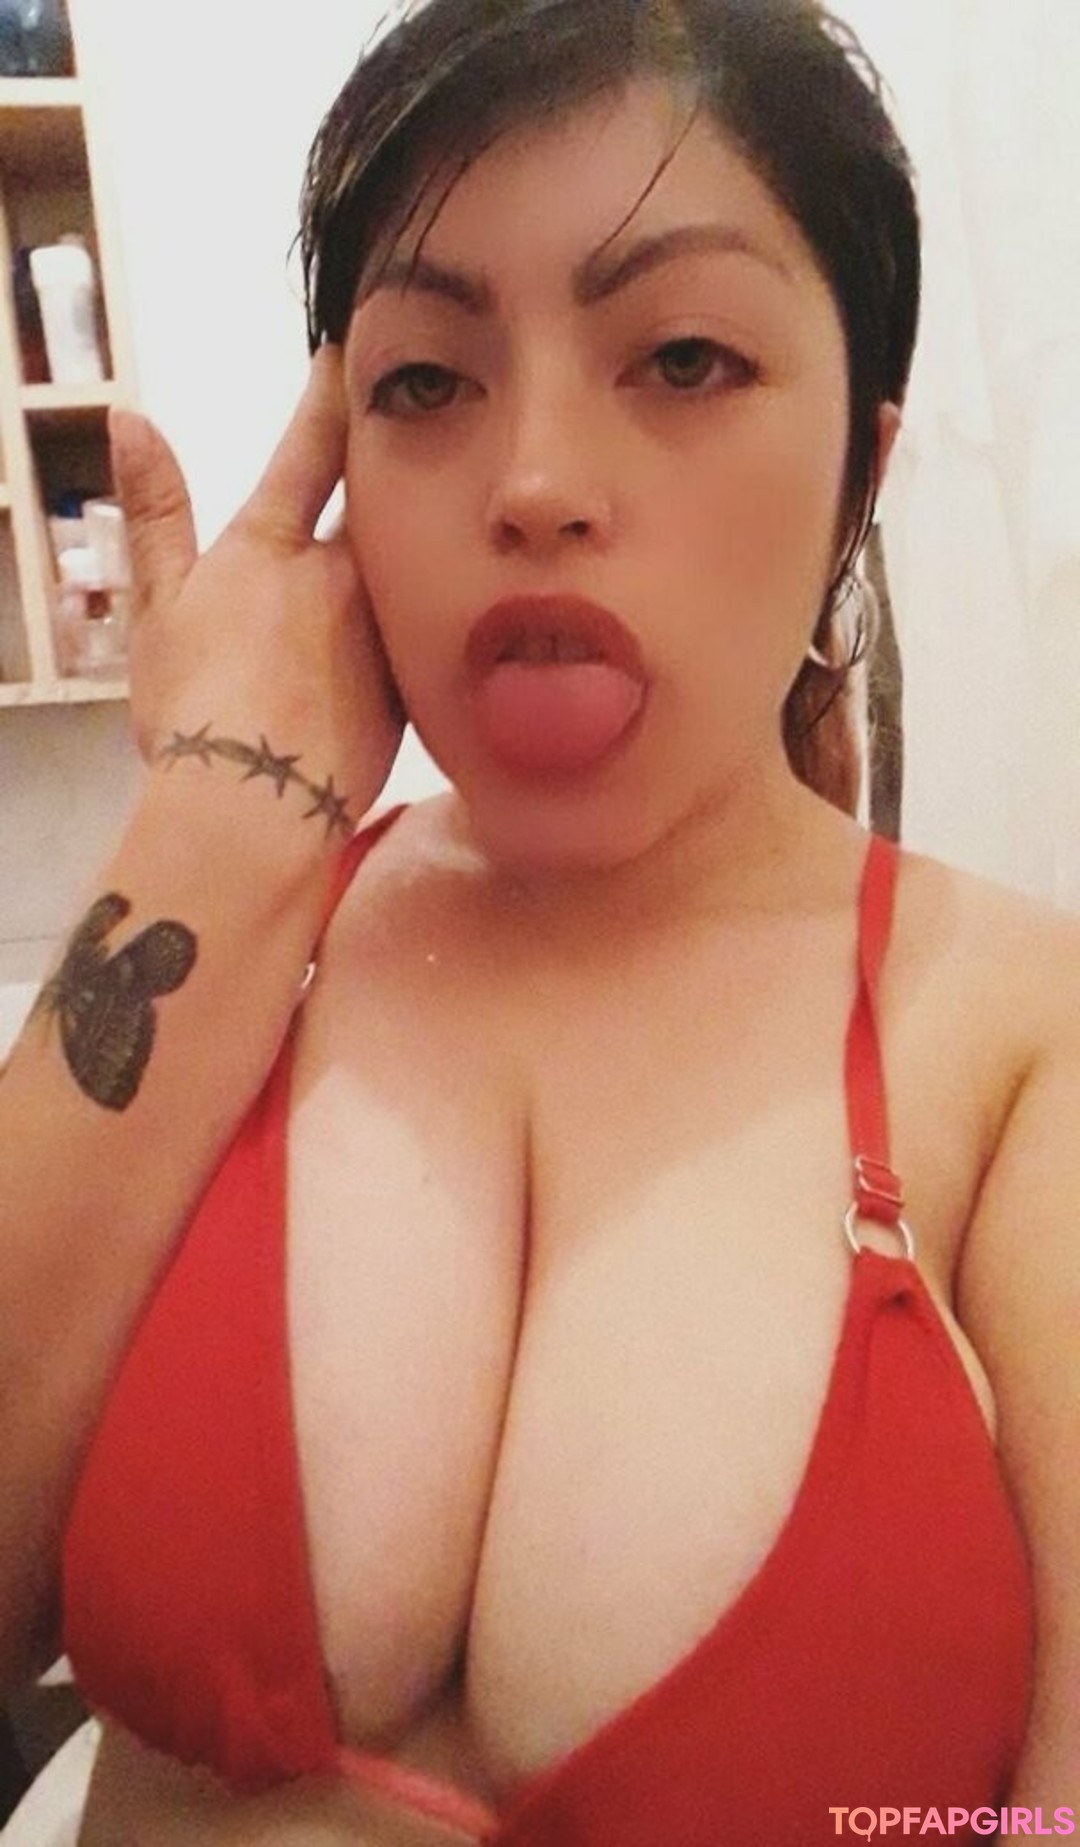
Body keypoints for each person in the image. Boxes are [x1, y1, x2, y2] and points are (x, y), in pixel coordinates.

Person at [1, 0, 1077, 1840]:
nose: (536, 486)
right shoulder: (260, 929)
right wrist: (217, 819)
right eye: (427, 384)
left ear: (862, 471)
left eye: (683, 357)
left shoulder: (1021, 1033)